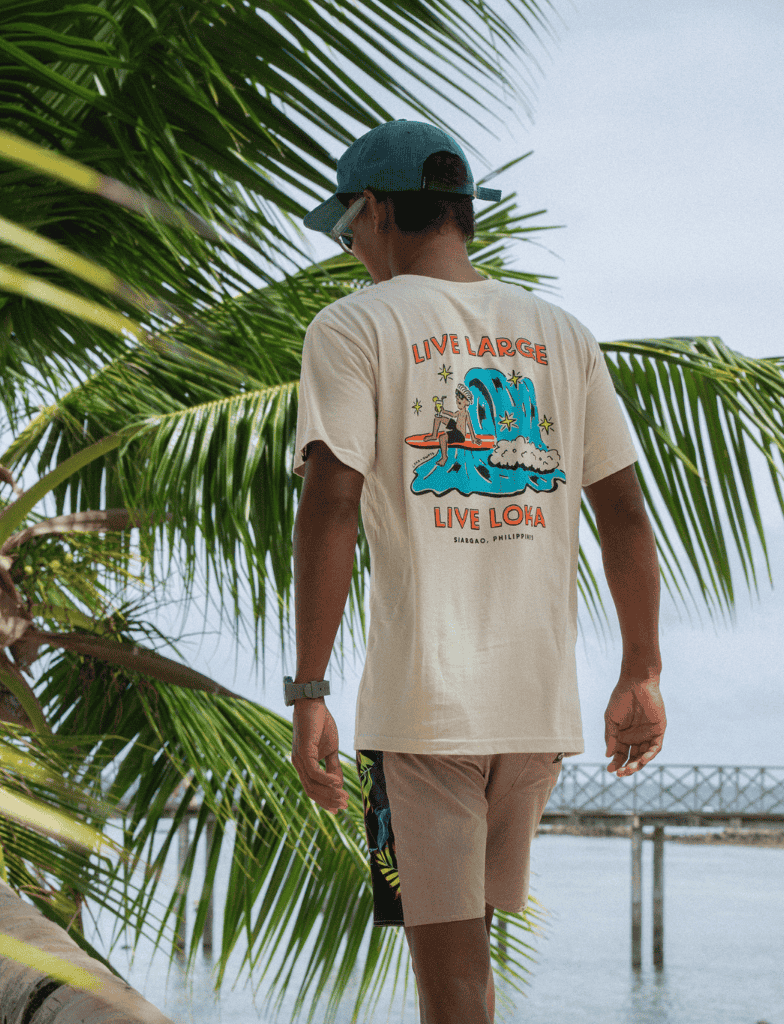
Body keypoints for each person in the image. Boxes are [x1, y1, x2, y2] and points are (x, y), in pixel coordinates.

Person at [289, 120, 667, 1024]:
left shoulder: (353, 326)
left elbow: (330, 502)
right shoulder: (559, 332)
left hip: (427, 709)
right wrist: (641, 670)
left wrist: (308, 688)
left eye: (348, 233)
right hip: (533, 713)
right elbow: (622, 511)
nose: (352, 254)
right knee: (475, 966)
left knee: (449, 985)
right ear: (464, 215)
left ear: (375, 211)